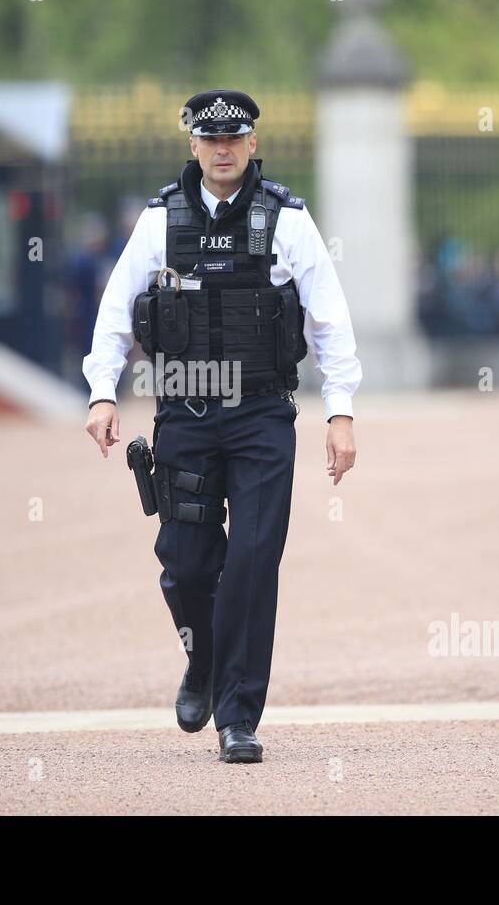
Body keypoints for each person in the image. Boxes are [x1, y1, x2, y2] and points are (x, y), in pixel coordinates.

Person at [83, 90, 361, 763]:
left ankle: (237, 715)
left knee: (252, 561)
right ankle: (201, 660)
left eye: (235, 138)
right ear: (194, 147)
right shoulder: (160, 220)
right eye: (211, 139)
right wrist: (101, 392)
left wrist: (341, 411)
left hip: (263, 416)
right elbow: (118, 307)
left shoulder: (288, 219)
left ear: (253, 144)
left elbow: (328, 318)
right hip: (185, 410)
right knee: (184, 564)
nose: (223, 149)